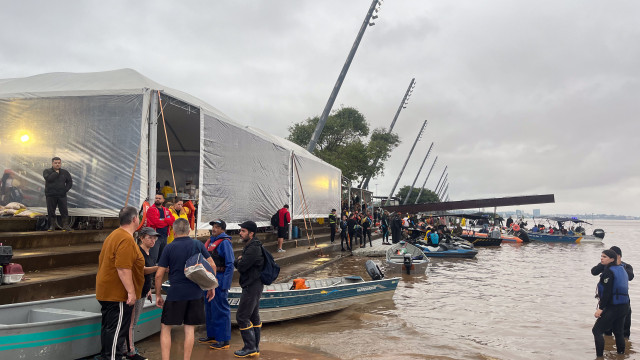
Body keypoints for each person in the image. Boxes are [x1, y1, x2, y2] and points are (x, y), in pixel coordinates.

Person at [155, 218, 215, 360]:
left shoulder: (169, 247)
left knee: (166, 327)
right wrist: (211, 286)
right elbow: (212, 265)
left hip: (176, 294)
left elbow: (158, 275)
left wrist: (158, 295)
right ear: (189, 230)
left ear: (173, 232)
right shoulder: (197, 244)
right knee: (189, 329)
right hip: (195, 293)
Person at [95, 206, 145, 360]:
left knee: (109, 328)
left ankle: (106, 356)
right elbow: (123, 268)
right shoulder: (125, 239)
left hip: (107, 291)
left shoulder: (114, 235)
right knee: (116, 331)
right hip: (117, 294)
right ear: (134, 219)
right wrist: (131, 292)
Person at [124, 227, 159, 360]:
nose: (153, 240)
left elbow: (146, 276)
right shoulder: (138, 251)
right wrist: (159, 268)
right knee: (131, 323)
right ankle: (130, 351)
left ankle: (127, 349)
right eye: (149, 237)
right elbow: (142, 270)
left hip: (143, 290)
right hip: (136, 291)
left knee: (133, 322)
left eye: (154, 238)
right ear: (141, 238)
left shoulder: (149, 253)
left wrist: (148, 290)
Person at [201, 219, 235, 350]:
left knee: (221, 309)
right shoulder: (210, 241)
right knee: (209, 308)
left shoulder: (225, 243)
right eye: (213, 227)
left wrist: (225, 284)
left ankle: (224, 340)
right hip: (208, 278)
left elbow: (230, 264)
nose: (214, 229)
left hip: (219, 278)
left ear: (222, 229)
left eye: (217, 227)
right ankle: (212, 335)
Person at [233, 221, 265, 358]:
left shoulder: (253, 248)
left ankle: (250, 347)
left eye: (243, 231)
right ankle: (255, 346)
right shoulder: (252, 245)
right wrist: (241, 260)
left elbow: (242, 266)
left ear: (251, 233)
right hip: (254, 284)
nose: (240, 233)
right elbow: (243, 263)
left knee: (242, 316)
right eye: (241, 230)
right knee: (253, 316)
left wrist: (238, 261)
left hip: (252, 285)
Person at [592, 249, 630, 357]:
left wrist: (600, 308)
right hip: (624, 306)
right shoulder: (622, 269)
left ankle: (599, 357)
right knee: (618, 332)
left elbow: (607, 292)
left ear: (612, 259)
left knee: (597, 330)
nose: (601, 258)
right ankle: (621, 355)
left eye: (604, 257)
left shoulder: (608, 272)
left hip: (614, 307)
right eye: (601, 256)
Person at [42, 157, 73, 231]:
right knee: (51, 211)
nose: (57, 164)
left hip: (61, 195)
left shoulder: (65, 172)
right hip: (50, 195)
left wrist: (65, 190)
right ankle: (52, 226)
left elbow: (70, 182)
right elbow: (49, 179)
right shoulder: (47, 171)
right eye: (55, 163)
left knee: (64, 211)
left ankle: (65, 226)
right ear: (52, 163)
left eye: (59, 163)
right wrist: (56, 173)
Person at [146, 193, 175, 264]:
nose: (157, 199)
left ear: (163, 200)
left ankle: (159, 272)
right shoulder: (151, 210)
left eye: (159, 198)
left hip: (164, 236)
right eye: (156, 198)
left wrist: (163, 220)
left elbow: (172, 221)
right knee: (153, 257)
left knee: (162, 257)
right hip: (155, 237)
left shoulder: (166, 210)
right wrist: (166, 221)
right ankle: (151, 273)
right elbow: (155, 223)